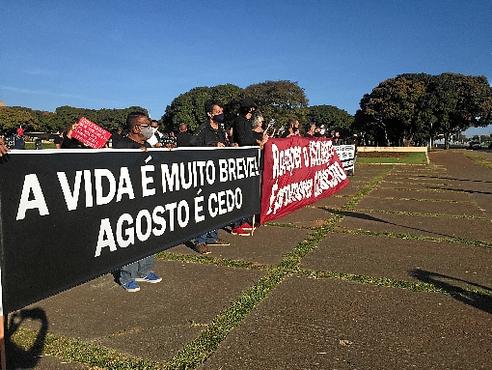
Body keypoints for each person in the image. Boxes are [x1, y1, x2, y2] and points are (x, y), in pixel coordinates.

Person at [113, 112, 162, 292]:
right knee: (132, 237)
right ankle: (127, 276)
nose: (151, 129)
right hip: (129, 200)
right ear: (135, 128)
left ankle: (145, 270)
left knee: (148, 232)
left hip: (148, 196)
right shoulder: (122, 145)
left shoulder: (147, 144)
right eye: (146, 125)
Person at [190, 101, 231, 254]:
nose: (220, 113)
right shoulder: (203, 128)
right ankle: (200, 240)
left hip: (218, 171)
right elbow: (192, 143)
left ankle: (212, 236)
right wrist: (213, 145)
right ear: (210, 114)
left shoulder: (220, 128)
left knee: (216, 204)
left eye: (222, 110)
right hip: (204, 171)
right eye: (217, 111)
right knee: (203, 206)